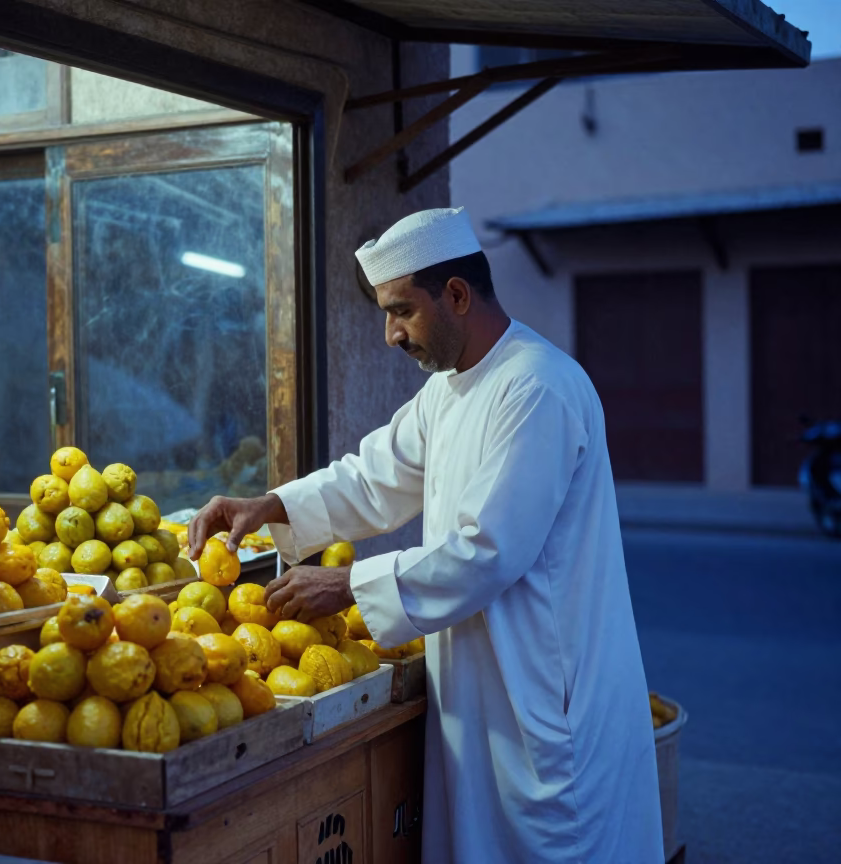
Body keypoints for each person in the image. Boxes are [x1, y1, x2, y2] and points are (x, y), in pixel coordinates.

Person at [189, 208, 664, 863]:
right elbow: (374, 478)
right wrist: (267, 506)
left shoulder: (536, 387)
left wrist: (348, 583)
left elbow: (486, 550)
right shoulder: (450, 390)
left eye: (401, 312)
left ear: (458, 296)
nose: (390, 335)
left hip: (545, 702)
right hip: (486, 693)